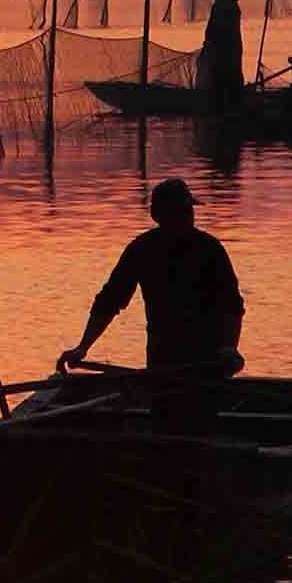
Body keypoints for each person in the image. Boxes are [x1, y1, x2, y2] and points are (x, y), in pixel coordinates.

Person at [56, 178, 245, 434]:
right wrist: (83, 347)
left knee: (200, 425)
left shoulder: (210, 249)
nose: (185, 218)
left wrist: (229, 349)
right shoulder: (141, 250)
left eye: (188, 212)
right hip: (162, 358)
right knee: (165, 425)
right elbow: (110, 301)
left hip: (207, 361)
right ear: (158, 216)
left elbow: (231, 306)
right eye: (177, 213)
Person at [198, 0, 245, 113]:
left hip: (222, 49)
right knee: (232, 79)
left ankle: (222, 108)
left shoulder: (219, 6)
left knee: (220, 80)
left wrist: (208, 43)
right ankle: (233, 106)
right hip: (232, 48)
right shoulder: (233, 6)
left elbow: (211, 28)